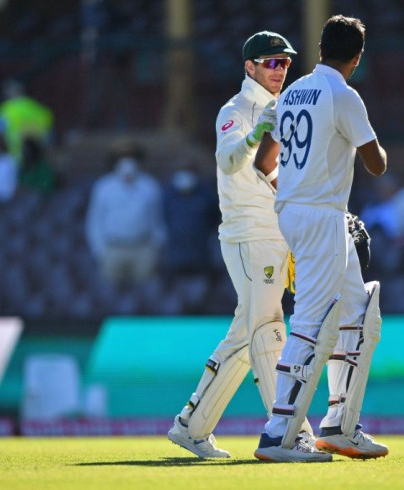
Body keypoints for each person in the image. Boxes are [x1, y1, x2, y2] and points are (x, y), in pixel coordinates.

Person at [166, 30, 316, 459]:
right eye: (271, 62)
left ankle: (191, 427)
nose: (279, 70)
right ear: (249, 67)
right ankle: (287, 433)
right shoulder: (235, 109)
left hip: (276, 235)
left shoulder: (285, 107)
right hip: (249, 235)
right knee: (269, 329)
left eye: (285, 63)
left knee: (244, 336)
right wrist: (255, 136)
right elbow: (229, 161)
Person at [253, 15, 389, 462]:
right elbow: (377, 165)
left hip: (299, 213)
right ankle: (278, 434)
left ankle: (339, 426)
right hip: (321, 219)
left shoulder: (293, 91)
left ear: (318, 50)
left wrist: (295, 195)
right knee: (311, 323)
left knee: (359, 311)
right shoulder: (343, 95)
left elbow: (264, 161)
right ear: (357, 57)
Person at [85, 139, 166, 287]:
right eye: (122, 158)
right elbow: (94, 221)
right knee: (108, 295)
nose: (127, 162)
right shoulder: (103, 187)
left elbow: (158, 219)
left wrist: (155, 246)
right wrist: (100, 250)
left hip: (143, 248)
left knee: (146, 296)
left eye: (131, 157)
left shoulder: (150, 186)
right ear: (114, 161)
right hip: (113, 248)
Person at [161, 163, 217, 276]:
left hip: (201, 252)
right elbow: (163, 218)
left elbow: (214, 218)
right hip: (174, 252)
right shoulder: (168, 195)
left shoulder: (206, 194)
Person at [0, 79, 53, 164]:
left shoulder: (5, 110)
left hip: (17, 153)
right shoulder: (35, 107)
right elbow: (48, 129)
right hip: (38, 152)